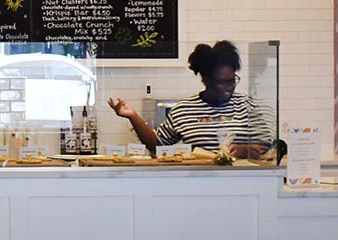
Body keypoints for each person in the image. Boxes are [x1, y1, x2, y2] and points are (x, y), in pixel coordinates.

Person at [108, 40, 273, 157]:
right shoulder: (184, 110)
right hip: (200, 185)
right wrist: (133, 116)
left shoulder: (247, 106)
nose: (229, 87)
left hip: (246, 185)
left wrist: (246, 150)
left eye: (232, 80)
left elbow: (270, 148)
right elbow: (157, 144)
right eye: (222, 82)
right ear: (205, 79)